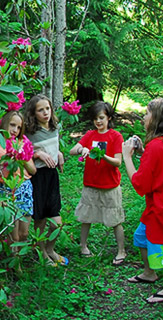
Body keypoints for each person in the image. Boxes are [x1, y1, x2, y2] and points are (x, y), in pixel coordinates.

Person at [122, 97, 163, 304]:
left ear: (156, 118)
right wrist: (143, 152)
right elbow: (159, 169)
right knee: (141, 237)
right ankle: (149, 273)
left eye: (147, 113)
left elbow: (141, 185)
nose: (143, 117)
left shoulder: (156, 147)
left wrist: (127, 157)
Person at [69, 101, 126, 265]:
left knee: (116, 219)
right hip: (91, 184)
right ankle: (83, 246)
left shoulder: (115, 136)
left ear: (108, 117)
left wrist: (101, 155)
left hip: (110, 185)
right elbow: (73, 150)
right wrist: (82, 149)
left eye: (101, 118)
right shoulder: (90, 135)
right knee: (86, 217)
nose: (98, 122)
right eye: (95, 119)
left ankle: (121, 251)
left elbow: (118, 162)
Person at [24, 94, 67, 266]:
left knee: (57, 222)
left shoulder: (53, 128)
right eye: (40, 110)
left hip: (52, 176)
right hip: (38, 176)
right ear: (33, 113)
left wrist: (58, 153)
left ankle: (50, 249)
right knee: (40, 218)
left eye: (47, 108)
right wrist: (37, 154)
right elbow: (23, 153)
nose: (45, 113)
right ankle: (41, 252)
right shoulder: (30, 132)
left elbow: (52, 146)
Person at [0, 110, 37, 247]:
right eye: (12, 125)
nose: (15, 130)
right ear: (5, 124)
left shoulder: (22, 143)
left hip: (24, 188)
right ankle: (15, 265)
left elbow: (33, 170)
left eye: (19, 127)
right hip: (7, 191)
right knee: (14, 235)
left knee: (24, 233)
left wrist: (21, 155)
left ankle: (20, 256)